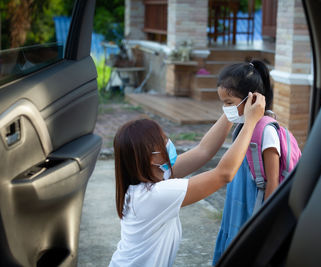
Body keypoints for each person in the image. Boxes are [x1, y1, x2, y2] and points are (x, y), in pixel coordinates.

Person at [109, 92, 265, 267]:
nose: (169, 142)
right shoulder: (156, 194)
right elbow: (223, 174)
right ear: (151, 158)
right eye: (163, 140)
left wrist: (232, 109)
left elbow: (203, 151)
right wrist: (250, 123)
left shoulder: (148, 180)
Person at [213, 60, 280, 264]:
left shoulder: (267, 132)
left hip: (253, 211)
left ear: (252, 100)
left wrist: (263, 225)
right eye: (223, 103)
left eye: (230, 103)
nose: (226, 109)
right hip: (237, 207)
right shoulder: (242, 128)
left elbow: (273, 182)